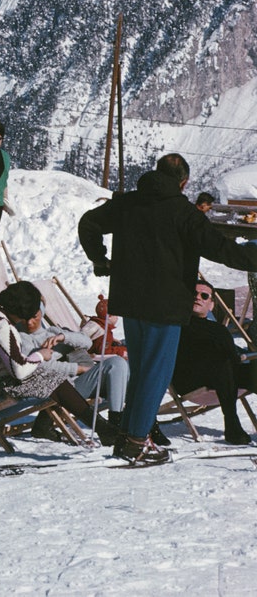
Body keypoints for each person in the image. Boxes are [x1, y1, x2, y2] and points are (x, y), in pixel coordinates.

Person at [79, 152, 257, 463]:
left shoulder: (127, 203)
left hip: (131, 303)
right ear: (184, 182)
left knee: (142, 370)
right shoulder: (183, 212)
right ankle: (137, 441)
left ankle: (128, 435)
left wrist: (99, 260)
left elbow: (88, 223)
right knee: (156, 373)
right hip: (165, 306)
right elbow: (221, 249)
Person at [0, 281, 127, 445]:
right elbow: (19, 370)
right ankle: (103, 428)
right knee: (52, 379)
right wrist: (41, 356)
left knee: (51, 378)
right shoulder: (3, 328)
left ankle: (103, 428)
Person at [172, 282, 255, 444]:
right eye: (194, 294)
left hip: (223, 378)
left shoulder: (220, 330)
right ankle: (232, 424)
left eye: (204, 296)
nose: (198, 298)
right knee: (222, 362)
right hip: (189, 380)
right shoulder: (176, 326)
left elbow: (234, 358)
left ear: (211, 305)